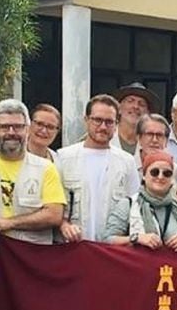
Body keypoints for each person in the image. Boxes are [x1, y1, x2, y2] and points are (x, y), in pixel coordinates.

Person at [56, 95, 141, 243]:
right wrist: (63, 225)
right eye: (97, 120)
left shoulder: (127, 162)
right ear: (86, 120)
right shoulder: (63, 158)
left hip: (111, 250)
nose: (102, 127)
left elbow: (135, 208)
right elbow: (53, 205)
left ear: (116, 124)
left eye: (109, 122)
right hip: (71, 247)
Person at [0, 99, 65, 245]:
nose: (11, 132)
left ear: (27, 129)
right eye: (4, 127)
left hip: (31, 256)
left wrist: (9, 223)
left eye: (18, 127)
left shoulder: (46, 168)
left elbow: (54, 215)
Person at [104, 150, 177, 252]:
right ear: (144, 176)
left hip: (173, 267)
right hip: (138, 266)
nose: (160, 177)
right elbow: (107, 240)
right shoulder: (128, 205)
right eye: (154, 172)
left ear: (172, 179)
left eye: (167, 173)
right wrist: (136, 238)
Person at [113, 82, 157, 156]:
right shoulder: (105, 136)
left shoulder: (154, 142)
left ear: (148, 113)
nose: (136, 106)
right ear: (119, 108)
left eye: (141, 104)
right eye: (130, 101)